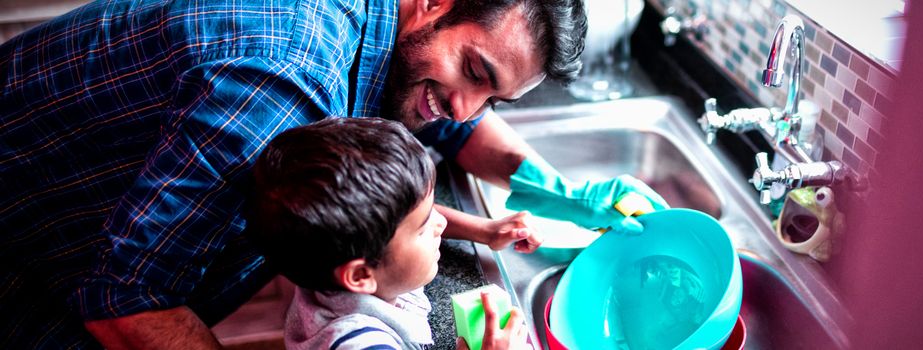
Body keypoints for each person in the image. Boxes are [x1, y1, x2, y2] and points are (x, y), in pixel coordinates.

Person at [0, 0, 667, 348]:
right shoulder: (284, 87)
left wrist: (556, 187)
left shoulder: (389, 28)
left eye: (495, 96)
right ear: (435, 2)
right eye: (474, 72)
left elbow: (446, 116)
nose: (469, 110)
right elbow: (128, 299)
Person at [249, 117, 526, 350]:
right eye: (423, 227)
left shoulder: (334, 260)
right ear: (360, 275)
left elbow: (402, 220)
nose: (440, 223)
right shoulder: (359, 342)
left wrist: (486, 230)